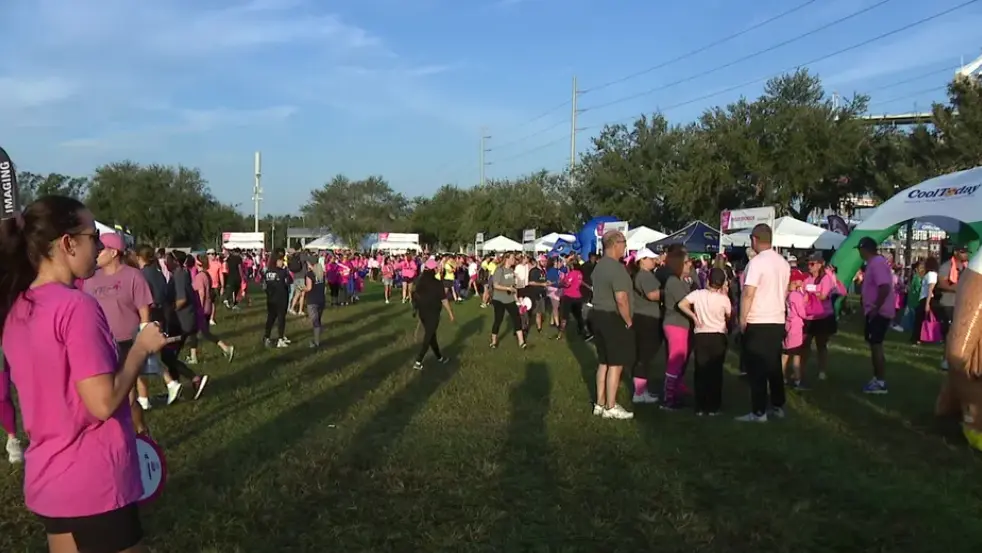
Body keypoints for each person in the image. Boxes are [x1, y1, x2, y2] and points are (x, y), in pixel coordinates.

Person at [0, 196, 174, 553]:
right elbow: (103, 402)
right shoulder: (76, 307)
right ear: (68, 243)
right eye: (94, 236)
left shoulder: (18, 309)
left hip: (49, 479)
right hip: (93, 481)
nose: (100, 246)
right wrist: (141, 348)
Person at [82, 233, 154, 435]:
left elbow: (144, 311)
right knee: (105, 396)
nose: (97, 251)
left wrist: (144, 338)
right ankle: (115, 435)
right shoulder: (90, 279)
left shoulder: (133, 276)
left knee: (128, 396)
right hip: (100, 345)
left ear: (114, 252)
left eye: (101, 248)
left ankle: (140, 433)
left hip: (127, 343)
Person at [737, 224, 791, 422]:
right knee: (774, 365)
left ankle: (758, 411)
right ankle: (778, 405)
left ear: (754, 239)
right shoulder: (783, 263)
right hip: (777, 318)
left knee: (757, 367)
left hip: (758, 319)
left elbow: (748, 293)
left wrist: (742, 319)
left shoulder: (757, 263)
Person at [589, 231, 635, 420]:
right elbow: (621, 298)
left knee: (603, 362)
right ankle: (610, 406)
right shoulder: (617, 268)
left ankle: (599, 404)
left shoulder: (598, 267)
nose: (625, 247)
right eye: (624, 243)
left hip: (597, 315)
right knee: (616, 363)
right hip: (612, 318)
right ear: (615, 244)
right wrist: (628, 321)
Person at [677, 267, 731, 415]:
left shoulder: (698, 294)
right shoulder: (724, 299)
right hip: (718, 335)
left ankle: (700, 406)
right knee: (715, 372)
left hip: (701, 334)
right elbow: (729, 316)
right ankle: (713, 406)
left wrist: (694, 316)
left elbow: (681, 304)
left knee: (701, 371)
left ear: (708, 280)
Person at [857, 236, 896, 394]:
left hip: (879, 312)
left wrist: (875, 307)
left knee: (876, 344)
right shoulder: (873, 264)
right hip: (874, 310)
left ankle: (880, 382)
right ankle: (877, 378)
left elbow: (884, 287)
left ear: (864, 249)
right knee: (873, 344)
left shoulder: (877, 263)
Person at [660, 249, 693, 411]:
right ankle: (669, 398)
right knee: (675, 360)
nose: (690, 265)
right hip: (675, 324)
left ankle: (676, 392)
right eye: (686, 262)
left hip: (681, 325)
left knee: (680, 360)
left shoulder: (682, 281)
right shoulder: (673, 281)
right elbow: (685, 302)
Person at [630, 248, 662, 405]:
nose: (653, 261)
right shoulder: (644, 276)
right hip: (646, 318)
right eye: (650, 258)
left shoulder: (644, 275)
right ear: (642, 260)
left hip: (644, 317)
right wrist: (668, 292)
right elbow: (652, 295)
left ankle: (642, 390)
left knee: (644, 355)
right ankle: (639, 392)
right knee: (644, 355)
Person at [801, 252, 838, 382]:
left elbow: (823, 295)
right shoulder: (806, 279)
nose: (809, 266)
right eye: (808, 264)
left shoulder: (825, 279)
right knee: (805, 345)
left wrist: (809, 295)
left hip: (823, 316)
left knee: (821, 345)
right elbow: (802, 292)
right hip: (808, 317)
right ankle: (801, 370)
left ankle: (822, 371)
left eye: (812, 264)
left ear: (820, 264)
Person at [412, 259, 456, 369]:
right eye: (436, 267)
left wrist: (416, 307)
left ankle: (439, 357)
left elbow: (414, 294)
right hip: (433, 313)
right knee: (429, 336)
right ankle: (418, 361)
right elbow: (444, 300)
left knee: (432, 336)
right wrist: (450, 313)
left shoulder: (419, 280)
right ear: (433, 269)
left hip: (422, 312)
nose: (438, 269)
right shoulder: (437, 283)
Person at [938, 246, 969, 369]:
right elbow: (942, 283)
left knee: (962, 333)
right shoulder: (946, 266)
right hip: (949, 303)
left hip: (963, 303)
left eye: (967, 252)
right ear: (955, 252)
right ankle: (946, 359)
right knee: (950, 333)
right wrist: (959, 287)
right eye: (963, 252)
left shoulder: (968, 267)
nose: (966, 254)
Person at [489, 253, 527, 349]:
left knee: (517, 319)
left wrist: (517, 300)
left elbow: (513, 287)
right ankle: (494, 342)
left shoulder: (511, 271)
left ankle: (521, 342)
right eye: (512, 258)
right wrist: (508, 289)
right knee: (498, 320)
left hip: (510, 300)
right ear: (507, 259)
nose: (514, 260)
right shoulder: (499, 270)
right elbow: (495, 285)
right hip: (499, 300)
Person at [783, 270, 808, 389]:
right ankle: (798, 380)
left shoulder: (788, 294)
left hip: (788, 325)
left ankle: (782, 377)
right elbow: (802, 313)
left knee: (785, 354)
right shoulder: (796, 296)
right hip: (796, 327)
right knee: (796, 355)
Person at [263, 248, 293, 348]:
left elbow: (265, 286)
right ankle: (280, 339)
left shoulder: (268, 272)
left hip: (271, 299)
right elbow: (289, 281)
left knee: (270, 318)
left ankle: (266, 337)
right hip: (281, 298)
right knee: (281, 319)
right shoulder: (282, 272)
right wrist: (286, 271)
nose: (282, 262)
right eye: (281, 260)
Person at [305, 256, 327, 348]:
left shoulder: (310, 274)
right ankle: (318, 335)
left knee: (315, 322)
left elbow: (309, 288)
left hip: (312, 300)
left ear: (310, 264)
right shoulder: (322, 273)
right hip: (321, 299)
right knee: (318, 320)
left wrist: (302, 288)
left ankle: (316, 342)